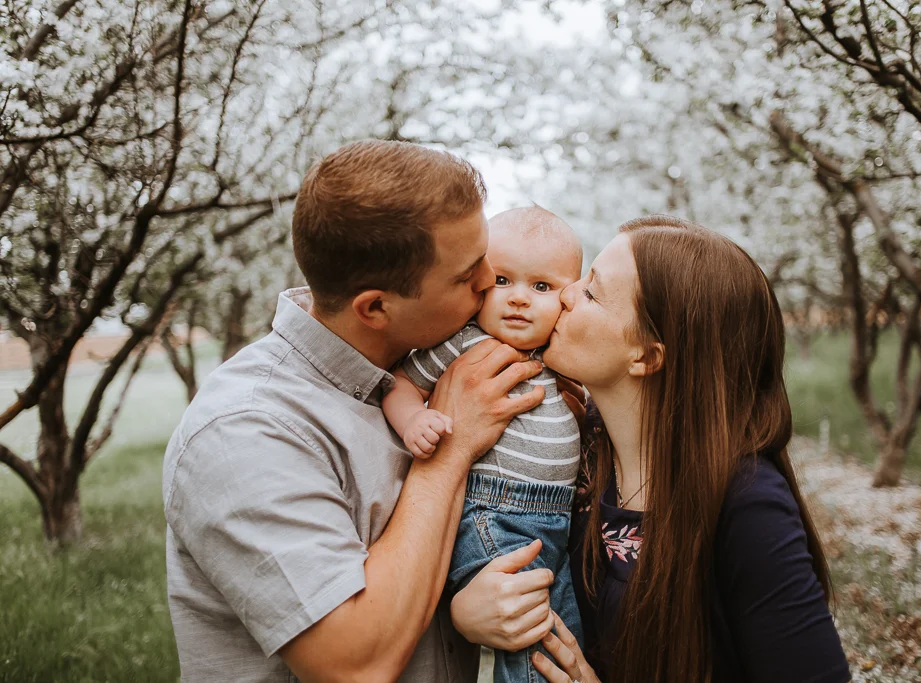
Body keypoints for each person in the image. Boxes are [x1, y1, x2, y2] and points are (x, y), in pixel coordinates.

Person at [161, 140, 556, 683]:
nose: (491, 280)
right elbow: (355, 666)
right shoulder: (245, 430)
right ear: (375, 307)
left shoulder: (429, 364)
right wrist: (449, 453)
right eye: (467, 275)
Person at [450, 215, 852, 683]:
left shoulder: (748, 504)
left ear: (645, 355)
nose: (564, 294)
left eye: (592, 292)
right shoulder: (575, 449)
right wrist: (466, 612)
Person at [383, 206, 585, 683]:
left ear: (569, 297)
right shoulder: (466, 343)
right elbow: (398, 383)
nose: (518, 299)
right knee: (528, 636)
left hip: (556, 519)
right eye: (502, 281)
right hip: (494, 512)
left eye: (541, 287)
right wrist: (415, 420)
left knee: (564, 633)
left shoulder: (562, 353)